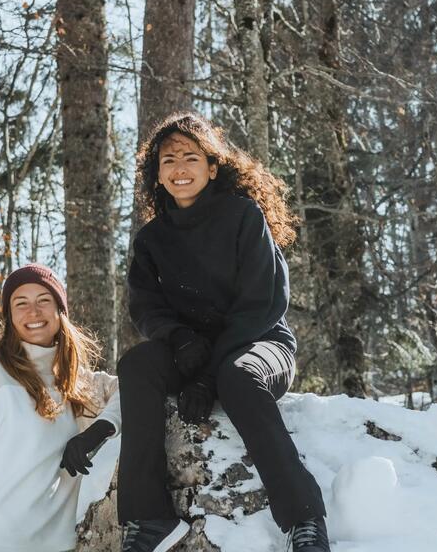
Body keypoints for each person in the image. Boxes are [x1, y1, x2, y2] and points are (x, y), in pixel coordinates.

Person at [116, 112, 330, 552]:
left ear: (213, 167)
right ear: (156, 174)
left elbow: (262, 304)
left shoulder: (243, 216)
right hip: (190, 349)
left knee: (238, 378)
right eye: (168, 159)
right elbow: (145, 305)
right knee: (137, 364)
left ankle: (304, 521)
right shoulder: (152, 239)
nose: (179, 168)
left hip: (259, 342)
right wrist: (178, 338)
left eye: (190, 157)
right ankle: (148, 517)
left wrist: (206, 377)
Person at [0, 263, 121, 552]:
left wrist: (98, 430)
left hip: (65, 545)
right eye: (20, 303)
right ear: (8, 316)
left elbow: (128, 391)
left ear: (60, 311)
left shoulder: (76, 382)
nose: (33, 312)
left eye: (44, 301)